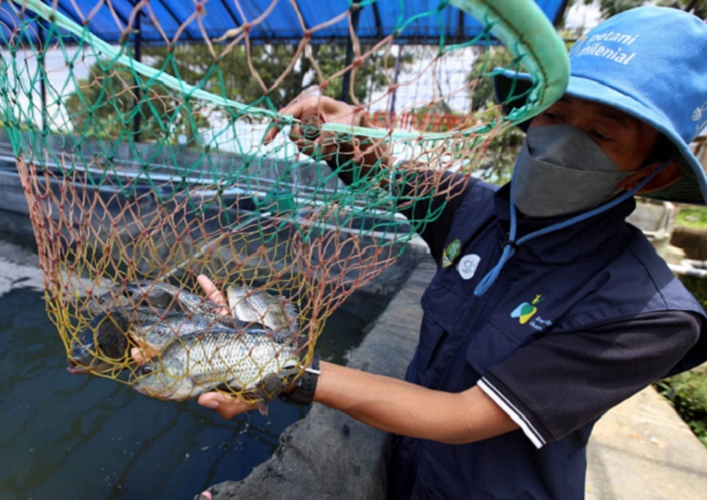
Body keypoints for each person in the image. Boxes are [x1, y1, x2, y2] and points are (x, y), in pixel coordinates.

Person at [194, 7, 707, 498]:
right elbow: (384, 172)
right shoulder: (471, 208)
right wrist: (345, 134)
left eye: (600, 134)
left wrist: (281, 368)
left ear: (655, 172)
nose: (561, 142)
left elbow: (461, 416)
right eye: (555, 113)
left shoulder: (648, 313)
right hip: (402, 474)